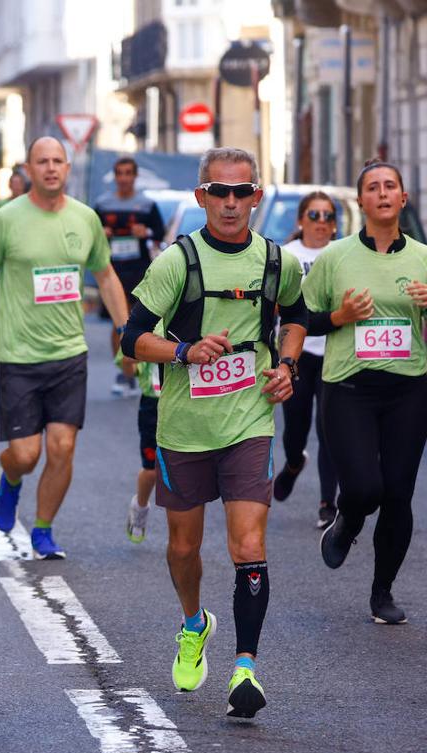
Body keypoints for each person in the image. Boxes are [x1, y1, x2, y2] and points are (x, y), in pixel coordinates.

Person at [121, 147, 307, 719]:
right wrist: (183, 349)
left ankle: (245, 668)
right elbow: (131, 340)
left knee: (248, 545)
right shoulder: (177, 262)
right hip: (185, 427)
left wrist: (288, 365)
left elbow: (298, 316)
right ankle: (194, 623)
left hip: (250, 420)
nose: (231, 203)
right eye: (219, 192)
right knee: (183, 548)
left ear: (257, 196)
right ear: (201, 197)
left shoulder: (279, 261)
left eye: (242, 191)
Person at [0, 136, 130, 559]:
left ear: (67, 168)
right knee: (25, 453)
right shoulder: (8, 219)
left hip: (69, 352)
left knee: (63, 446)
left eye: (58, 161)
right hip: (17, 353)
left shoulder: (86, 219)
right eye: (42, 161)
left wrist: (129, 333)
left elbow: (105, 276)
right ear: (29, 170)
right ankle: (10, 479)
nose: (51, 168)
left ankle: (43, 529)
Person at [303, 160, 427, 625]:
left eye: (390, 186)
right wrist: (339, 317)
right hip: (348, 388)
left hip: (409, 388)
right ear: (360, 202)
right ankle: (347, 521)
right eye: (372, 187)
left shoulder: (423, 257)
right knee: (364, 487)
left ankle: (382, 593)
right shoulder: (334, 258)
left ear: (403, 198)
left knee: (398, 493)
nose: (382, 193)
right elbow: (299, 318)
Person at [271, 192, 339, 529]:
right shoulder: (287, 256)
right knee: (295, 430)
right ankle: (294, 463)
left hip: (334, 353)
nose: (322, 222)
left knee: (329, 430)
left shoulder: (341, 254)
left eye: (328, 216)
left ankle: (329, 503)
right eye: (315, 215)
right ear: (301, 220)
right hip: (295, 354)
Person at [94, 156, 167, 397]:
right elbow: (91, 234)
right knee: (119, 323)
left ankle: (138, 369)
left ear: (135, 176)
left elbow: (160, 233)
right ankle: (123, 372)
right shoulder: (103, 205)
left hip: (139, 271)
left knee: (138, 324)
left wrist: (144, 232)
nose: (124, 178)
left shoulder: (146, 205)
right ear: (115, 177)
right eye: (120, 173)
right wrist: (101, 233)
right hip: (112, 271)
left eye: (128, 173)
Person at [119, 335, 161, 543]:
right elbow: (129, 370)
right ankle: (140, 506)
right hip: (153, 406)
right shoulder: (147, 323)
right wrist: (129, 359)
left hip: (187, 403)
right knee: (152, 470)